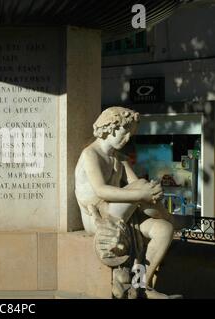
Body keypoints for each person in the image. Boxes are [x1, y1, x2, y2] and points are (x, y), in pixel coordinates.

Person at [75, 106, 177, 298]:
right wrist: (143, 194)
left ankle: (141, 286)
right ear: (110, 127)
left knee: (164, 230)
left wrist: (150, 191)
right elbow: (101, 190)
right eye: (125, 132)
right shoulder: (91, 154)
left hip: (121, 213)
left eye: (131, 134)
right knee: (142, 188)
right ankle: (169, 217)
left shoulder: (118, 159)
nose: (128, 138)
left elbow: (136, 184)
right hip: (97, 215)